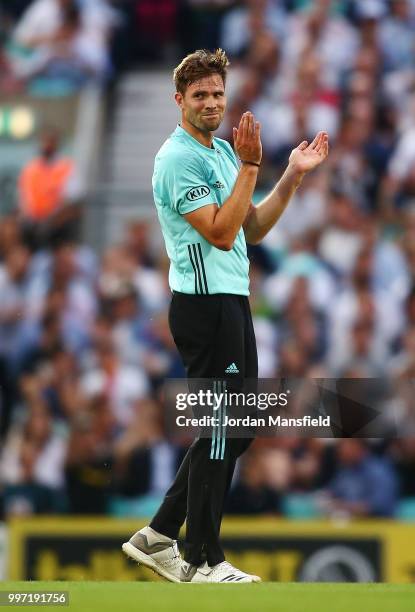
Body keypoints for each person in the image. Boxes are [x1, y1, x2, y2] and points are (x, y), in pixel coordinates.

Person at [122, 48, 329, 583]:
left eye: (217, 93)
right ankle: (203, 558)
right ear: (179, 100)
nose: (212, 102)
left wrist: (290, 176)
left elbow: (250, 228)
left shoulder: (220, 152)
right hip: (203, 302)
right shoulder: (177, 159)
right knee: (223, 426)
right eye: (200, 95)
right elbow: (217, 230)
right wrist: (252, 165)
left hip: (231, 300)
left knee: (236, 431)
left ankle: (159, 535)